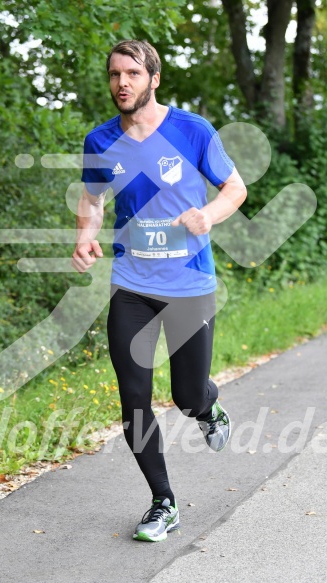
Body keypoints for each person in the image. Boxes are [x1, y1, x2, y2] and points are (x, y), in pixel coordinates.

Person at [72, 39, 247, 542]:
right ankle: (162, 501)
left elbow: (235, 189)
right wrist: (85, 233)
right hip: (131, 285)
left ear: (154, 78)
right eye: (113, 75)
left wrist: (207, 215)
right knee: (133, 399)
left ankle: (207, 408)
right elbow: (93, 199)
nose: (121, 83)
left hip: (189, 285)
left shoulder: (193, 131)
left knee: (187, 395)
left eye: (131, 73)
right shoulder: (100, 140)